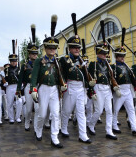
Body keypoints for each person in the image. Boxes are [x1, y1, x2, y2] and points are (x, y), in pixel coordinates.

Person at [30, 15, 65, 148]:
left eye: (54, 48)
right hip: (43, 89)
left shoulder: (57, 61)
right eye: (50, 48)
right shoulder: (39, 61)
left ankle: (54, 137)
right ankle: (38, 130)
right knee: (42, 114)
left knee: (56, 114)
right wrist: (33, 89)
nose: (52, 50)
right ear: (45, 48)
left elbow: (60, 75)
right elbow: (34, 77)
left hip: (54, 90)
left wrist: (62, 85)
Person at [60, 13, 92, 144]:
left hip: (80, 89)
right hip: (70, 87)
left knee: (81, 112)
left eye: (78, 47)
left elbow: (85, 75)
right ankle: (63, 128)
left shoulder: (82, 60)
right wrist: (61, 87)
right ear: (69, 48)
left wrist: (90, 87)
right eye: (74, 47)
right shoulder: (64, 60)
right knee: (67, 111)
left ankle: (83, 135)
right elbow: (61, 73)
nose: (77, 49)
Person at [87, 20, 119, 140]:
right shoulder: (93, 64)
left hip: (107, 89)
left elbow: (112, 77)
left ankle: (109, 131)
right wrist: (91, 92)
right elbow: (89, 79)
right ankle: (90, 124)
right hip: (98, 88)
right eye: (103, 53)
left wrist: (114, 85)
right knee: (99, 110)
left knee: (109, 111)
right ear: (98, 53)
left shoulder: (109, 65)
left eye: (106, 53)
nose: (105, 55)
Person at [111, 28, 136, 135]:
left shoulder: (127, 66)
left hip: (128, 90)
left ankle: (134, 127)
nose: (122, 58)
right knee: (116, 110)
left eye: (123, 56)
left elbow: (132, 78)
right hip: (119, 90)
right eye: (120, 56)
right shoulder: (113, 67)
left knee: (131, 109)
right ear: (116, 57)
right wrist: (115, 89)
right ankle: (114, 125)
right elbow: (112, 79)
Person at [16, 24, 39, 132]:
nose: (35, 55)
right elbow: (20, 78)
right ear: (29, 54)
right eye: (33, 54)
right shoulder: (25, 65)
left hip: (38, 87)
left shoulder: (40, 64)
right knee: (29, 109)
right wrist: (18, 90)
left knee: (38, 108)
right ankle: (27, 122)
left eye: (36, 53)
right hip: (28, 87)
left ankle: (36, 127)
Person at [4, 40, 21, 124]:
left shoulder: (19, 69)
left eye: (15, 61)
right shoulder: (7, 69)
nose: (14, 62)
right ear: (10, 61)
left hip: (17, 86)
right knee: (10, 103)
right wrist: (4, 83)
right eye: (13, 61)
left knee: (19, 102)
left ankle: (17, 117)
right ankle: (11, 118)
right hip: (9, 87)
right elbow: (3, 78)